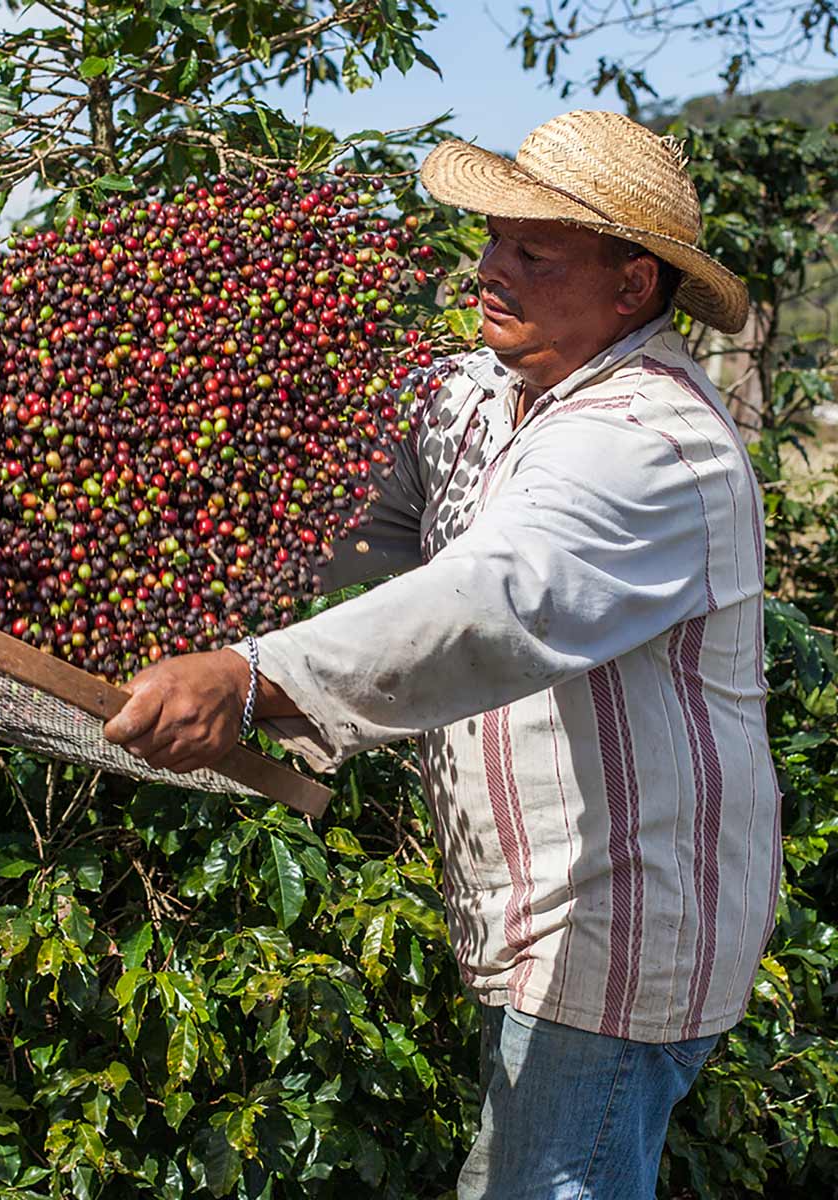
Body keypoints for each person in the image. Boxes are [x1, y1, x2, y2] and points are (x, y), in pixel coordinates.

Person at [103, 110, 781, 1199]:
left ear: (632, 285)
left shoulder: (652, 443)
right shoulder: (480, 396)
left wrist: (250, 675)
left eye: (534, 253)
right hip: (542, 914)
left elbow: (488, 601)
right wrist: (160, 518)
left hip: (618, 927)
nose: (491, 268)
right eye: (494, 240)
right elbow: (349, 521)